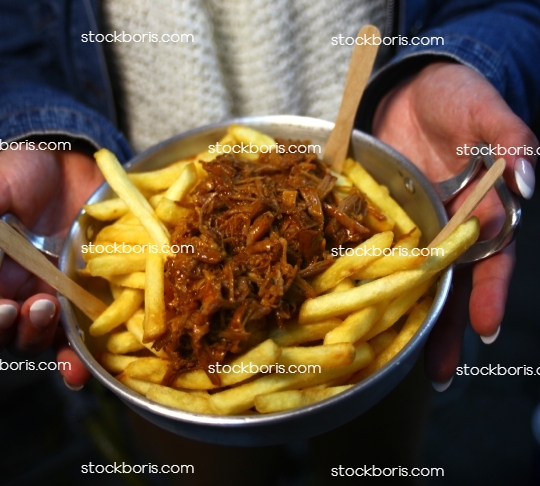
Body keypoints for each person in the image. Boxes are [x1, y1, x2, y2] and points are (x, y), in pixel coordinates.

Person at [0, 0, 538, 393]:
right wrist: (39, 130)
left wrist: (459, 59)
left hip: (368, 149)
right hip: (141, 159)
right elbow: (13, 40)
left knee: (374, 455)